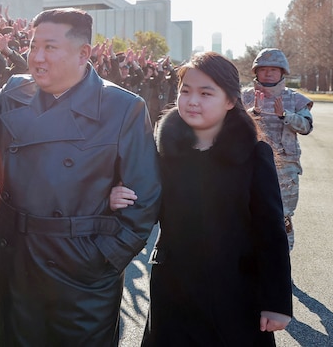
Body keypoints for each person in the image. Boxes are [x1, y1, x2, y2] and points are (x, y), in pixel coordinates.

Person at [0, 8, 162, 346]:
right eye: (33, 45)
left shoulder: (122, 107)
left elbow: (144, 198)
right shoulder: (17, 91)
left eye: (50, 47)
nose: (37, 57)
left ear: (84, 53)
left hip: (80, 273)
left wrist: (102, 260)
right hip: (15, 259)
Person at [111, 51, 293, 345]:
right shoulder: (163, 152)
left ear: (230, 101)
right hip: (174, 287)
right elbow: (147, 203)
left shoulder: (253, 155)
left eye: (206, 93)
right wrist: (120, 196)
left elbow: (271, 231)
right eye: (185, 91)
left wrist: (277, 302)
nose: (192, 100)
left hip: (236, 290)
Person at [242, 48, 313, 250]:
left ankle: (282, 264)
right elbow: (231, 126)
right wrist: (252, 112)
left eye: (274, 69)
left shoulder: (295, 99)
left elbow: (306, 127)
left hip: (285, 168)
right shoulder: (245, 97)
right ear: (256, 72)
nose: (269, 73)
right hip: (251, 165)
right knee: (249, 213)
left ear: (283, 72)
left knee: (282, 215)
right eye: (264, 69)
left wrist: (285, 115)